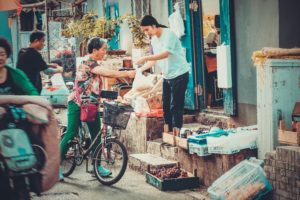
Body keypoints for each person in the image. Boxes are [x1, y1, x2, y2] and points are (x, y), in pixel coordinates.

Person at [60, 37, 135, 180]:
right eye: (104, 49)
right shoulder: (88, 63)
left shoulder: (95, 65)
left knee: (96, 136)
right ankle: (55, 166)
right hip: (76, 104)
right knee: (70, 134)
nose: (105, 52)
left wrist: (113, 96)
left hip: (91, 106)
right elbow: (109, 73)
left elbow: (95, 87)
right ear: (94, 50)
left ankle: (97, 167)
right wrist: (127, 73)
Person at [136, 15, 189, 132]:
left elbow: (166, 53)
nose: (146, 33)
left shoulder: (169, 34)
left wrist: (145, 57)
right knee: (165, 106)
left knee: (176, 106)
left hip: (180, 74)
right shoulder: (154, 39)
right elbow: (154, 60)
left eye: (147, 29)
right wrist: (140, 69)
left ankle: (177, 133)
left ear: (154, 26)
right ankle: (168, 131)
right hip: (167, 76)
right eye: (144, 31)